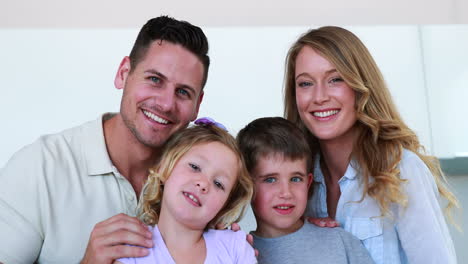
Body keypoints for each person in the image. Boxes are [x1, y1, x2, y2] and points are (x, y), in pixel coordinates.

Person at [0, 16, 210, 263]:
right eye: (155, 79)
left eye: (183, 92)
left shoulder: (209, 180)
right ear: (123, 73)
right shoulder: (38, 167)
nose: (165, 103)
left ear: (198, 105)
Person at [283, 26, 459, 263]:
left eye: (335, 79)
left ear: (360, 86)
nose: (319, 97)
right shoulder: (294, 180)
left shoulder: (401, 169)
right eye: (305, 83)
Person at [114, 118, 256, 264]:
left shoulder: (234, 247)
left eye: (218, 184)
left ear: (225, 205)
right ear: (164, 167)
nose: (203, 184)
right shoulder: (131, 250)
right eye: (195, 167)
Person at [236, 117, 373, 264]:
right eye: (270, 179)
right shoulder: (238, 254)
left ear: (308, 183)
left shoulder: (340, 242)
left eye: (295, 179)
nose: (286, 193)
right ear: (246, 186)